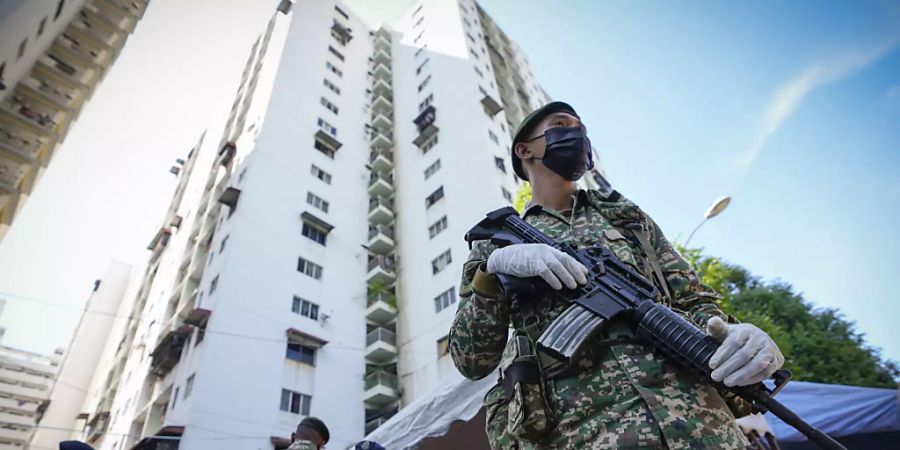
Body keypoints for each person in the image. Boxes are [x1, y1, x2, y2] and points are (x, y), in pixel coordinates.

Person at [448, 101, 785, 449]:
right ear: (525, 149)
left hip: (702, 426)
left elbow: (691, 299)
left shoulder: (626, 219)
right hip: (585, 433)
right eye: (561, 125)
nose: (577, 134)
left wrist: (734, 335)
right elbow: (471, 360)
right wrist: (491, 275)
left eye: (581, 129)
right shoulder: (499, 243)